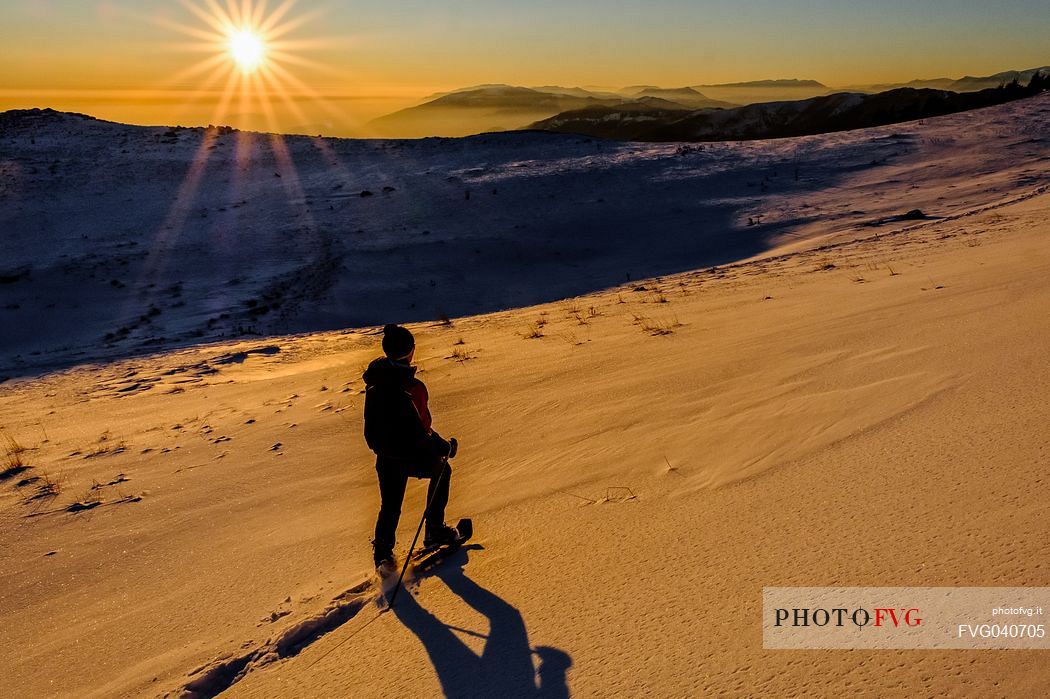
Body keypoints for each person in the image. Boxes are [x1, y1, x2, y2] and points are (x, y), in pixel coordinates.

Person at [363, 324, 459, 568]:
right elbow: (421, 429)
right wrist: (445, 447)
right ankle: (435, 529)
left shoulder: (375, 383)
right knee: (442, 470)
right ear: (410, 351)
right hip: (412, 454)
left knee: (390, 505)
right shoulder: (410, 387)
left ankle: (383, 555)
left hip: (386, 457)